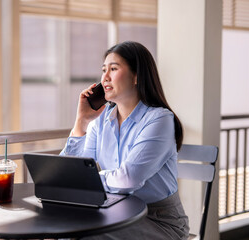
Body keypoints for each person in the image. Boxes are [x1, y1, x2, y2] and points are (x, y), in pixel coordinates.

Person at [60, 41, 190, 239]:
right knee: (66, 228)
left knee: (83, 234)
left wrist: (89, 179)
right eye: (104, 70)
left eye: (113, 69)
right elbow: (70, 173)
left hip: (158, 220)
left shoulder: (159, 119)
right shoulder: (100, 120)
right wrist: (81, 122)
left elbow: (129, 178)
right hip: (114, 212)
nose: (105, 77)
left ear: (136, 76)